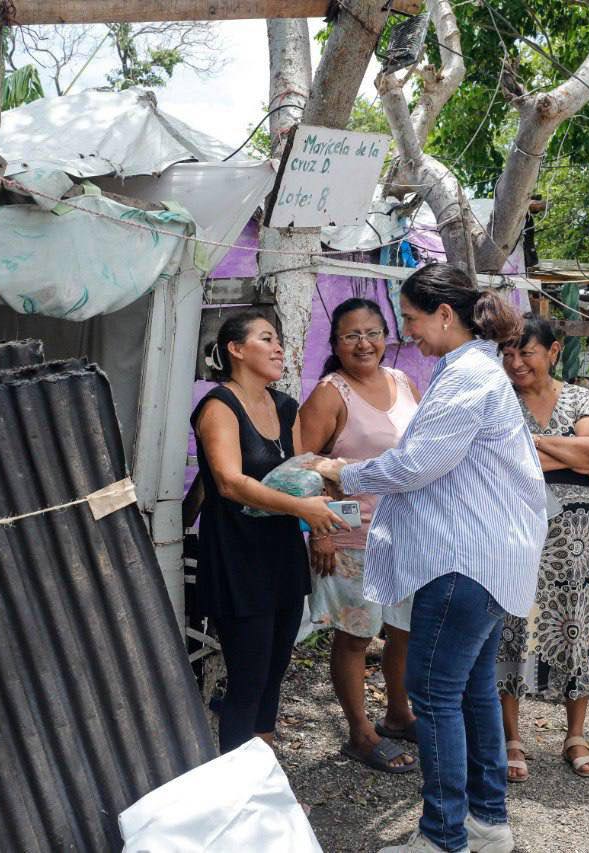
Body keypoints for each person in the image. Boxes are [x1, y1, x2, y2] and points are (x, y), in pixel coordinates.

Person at [312, 264, 547, 853]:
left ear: (445, 314)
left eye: (411, 319)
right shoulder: (466, 371)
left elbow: (415, 464)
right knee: (470, 691)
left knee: (434, 692)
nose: (405, 333)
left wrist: (343, 472)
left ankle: (444, 836)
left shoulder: (468, 375)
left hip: (466, 560)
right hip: (486, 559)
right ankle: (487, 825)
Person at [192, 311, 348, 753]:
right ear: (236, 350)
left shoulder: (284, 406)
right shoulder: (218, 406)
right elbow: (229, 482)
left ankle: (265, 777)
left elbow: (299, 472)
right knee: (248, 674)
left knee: (275, 668)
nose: (279, 348)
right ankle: (239, 791)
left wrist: (330, 482)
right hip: (237, 556)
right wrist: (303, 507)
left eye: (278, 339)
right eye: (267, 339)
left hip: (281, 552)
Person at [300, 298, 422, 775]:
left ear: (386, 337)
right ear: (335, 344)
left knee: (405, 631)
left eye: (372, 332)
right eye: (351, 335)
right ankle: (359, 731)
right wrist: (320, 533)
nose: (364, 343)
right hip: (352, 535)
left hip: (407, 534)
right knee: (356, 636)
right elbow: (304, 466)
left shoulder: (403, 382)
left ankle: (397, 714)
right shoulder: (331, 393)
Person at [494, 315, 589, 780]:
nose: (517, 362)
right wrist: (568, 451)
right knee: (511, 624)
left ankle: (575, 734)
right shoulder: (498, 399)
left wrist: (533, 444)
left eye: (527, 351)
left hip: (576, 537)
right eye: (509, 353)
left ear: (553, 351)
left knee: (574, 623)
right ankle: (512, 737)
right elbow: (501, 459)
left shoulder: (582, 397)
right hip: (514, 527)